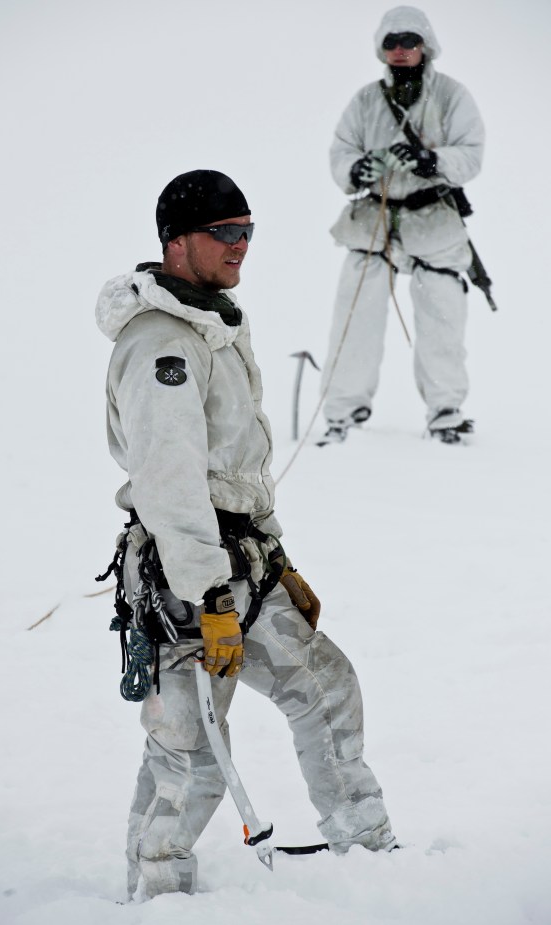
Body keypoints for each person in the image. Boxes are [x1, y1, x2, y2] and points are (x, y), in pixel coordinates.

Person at [95, 169, 397, 901]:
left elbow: (233, 466)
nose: (242, 246)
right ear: (176, 243)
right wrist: (209, 597)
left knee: (326, 688)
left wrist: (278, 559)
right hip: (188, 575)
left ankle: (371, 853)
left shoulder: (213, 320)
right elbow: (170, 483)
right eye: (225, 233)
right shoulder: (162, 345)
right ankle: (156, 895)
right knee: (192, 752)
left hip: (246, 564)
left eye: (248, 231)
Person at [319, 6, 485, 445]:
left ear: (425, 44)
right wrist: (359, 169)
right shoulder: (365, 101)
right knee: (355, 313)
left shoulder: (452, 96)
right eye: (391, 42)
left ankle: (446, 410)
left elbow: (471, 152)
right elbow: (341, 152)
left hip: (433, 218)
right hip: (374, 217)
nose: (399, 50)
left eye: (408, 41)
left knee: (443, 314)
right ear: (381, 47)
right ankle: (342, 411)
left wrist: (432, 160)